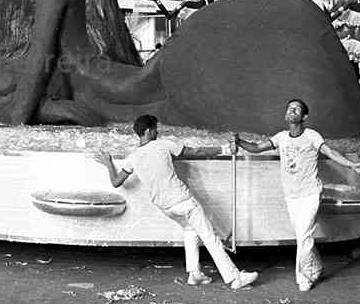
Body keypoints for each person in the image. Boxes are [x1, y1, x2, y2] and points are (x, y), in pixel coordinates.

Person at [95, 115, 258, 289]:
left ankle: (194, 274)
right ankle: (234, 278)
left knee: (190, 230)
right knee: (209, 236)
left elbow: (116, 182)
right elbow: (195, 152)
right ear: (149, 131)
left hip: (165, 206)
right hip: (182, 199)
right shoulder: (163, 144)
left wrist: (108, 163)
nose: (157, 132)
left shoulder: (133, 157)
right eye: (155, 129)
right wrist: (225, 149)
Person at [237, 100, 360, 291]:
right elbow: (256, 148)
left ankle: (304, 277)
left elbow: (330, 152)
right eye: (289, 108)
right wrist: (239, 141)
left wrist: (352, 165)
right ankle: (317, 267)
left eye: (296, 109)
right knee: (303, 237)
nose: (292, 110)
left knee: (304, 236)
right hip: (291, 196)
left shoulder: (312, 136)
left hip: (310, 194)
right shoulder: (281, 137)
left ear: (304, 116)